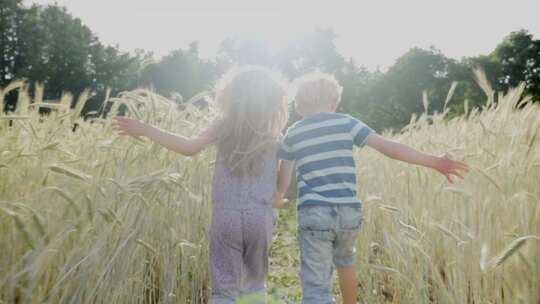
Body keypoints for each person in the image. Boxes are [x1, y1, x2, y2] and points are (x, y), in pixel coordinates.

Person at [273, 72, 469, 304]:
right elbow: (390, 148)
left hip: (314, 212)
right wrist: (435, 161)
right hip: (348, 211)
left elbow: (284, 171)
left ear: (298, 106)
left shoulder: (294, 132)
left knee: (316, 281)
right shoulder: (346, 122)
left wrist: (277, 196)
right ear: (334, 103)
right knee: (346, 260)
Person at [112, 66, 289, 304]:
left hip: (225, 216)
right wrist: (278, 193)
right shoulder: (275, 133)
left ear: (231, 95)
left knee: (224, 289)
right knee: (254, 285)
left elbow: (189, 147)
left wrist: (146, 129)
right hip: (260, 217)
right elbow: (286, 169)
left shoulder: (223, 125)